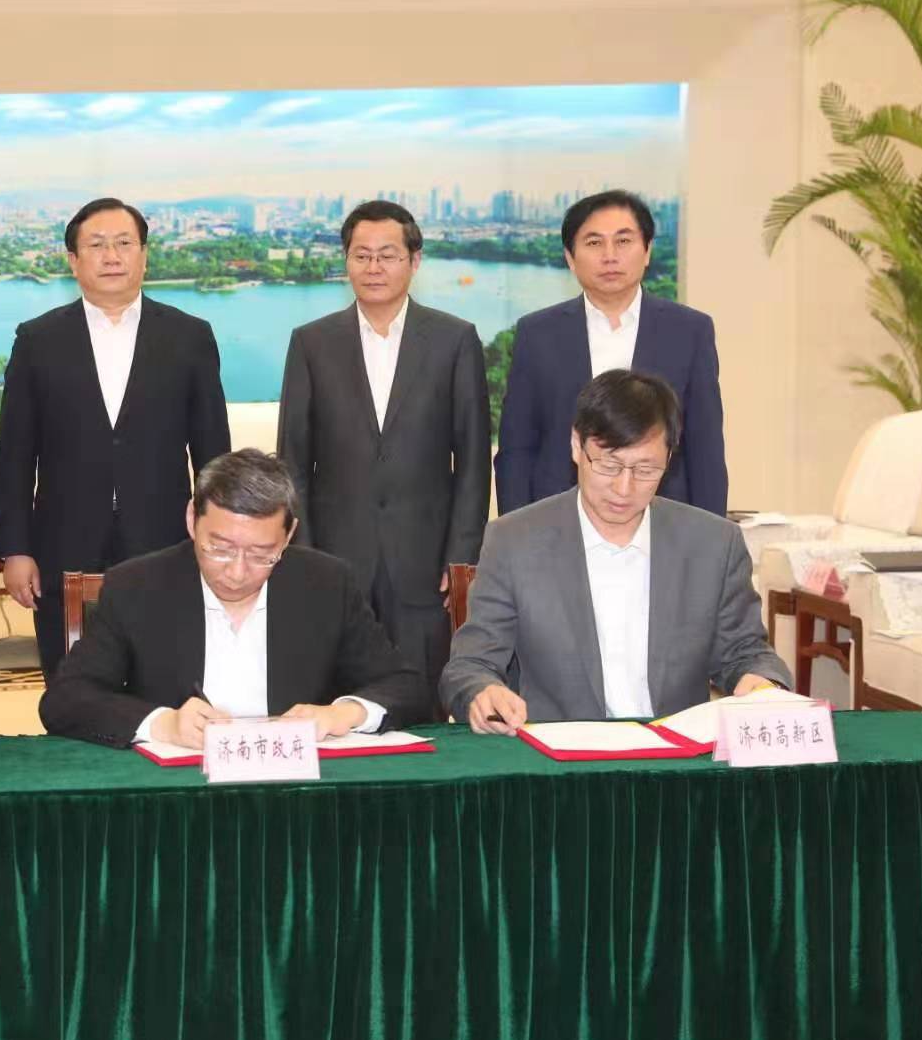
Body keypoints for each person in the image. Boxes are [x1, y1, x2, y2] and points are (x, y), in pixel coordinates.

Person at [442, 370, 789, 734]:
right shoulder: (515, 541)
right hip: (560, 754)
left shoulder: (713, 544)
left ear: (669, 457)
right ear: (576, 446)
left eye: (645, 469)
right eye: (609, 465)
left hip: (674, 754)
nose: (624, 488)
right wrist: (483, 693)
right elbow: (471, 664)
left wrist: (762, 684)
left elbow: (747, 653)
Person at [39, 449, 427, 749]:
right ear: (192, 520)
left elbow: (404, 685)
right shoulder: (136, 586)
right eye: (220, 549)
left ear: (288, 535)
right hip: (179, 790)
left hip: (296, 789)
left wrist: (342, 714)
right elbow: (65, 699)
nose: (238, 572)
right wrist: (163, 723)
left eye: (261, 554)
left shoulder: (326, 584)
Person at [0, 196, 231, 679]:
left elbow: (213, 453)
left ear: (144, 255)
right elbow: (15, 455)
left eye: (124, 243)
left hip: (166, 540)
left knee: (166, 678)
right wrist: (16, 549)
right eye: (97, 245)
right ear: (73, 260)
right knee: (69, 679)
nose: (112, 256)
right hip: (63, 542)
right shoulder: (37, 340)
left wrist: (218, 537)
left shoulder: (189, 336)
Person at [276, 200, 490, 719]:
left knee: (424, 700)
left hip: (425, 562)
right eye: (361, 255)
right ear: (346, 261)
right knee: (333, 704)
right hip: (335, 559)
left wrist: (460, 557)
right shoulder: (311, 342)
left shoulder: (454, 340)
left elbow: (473, 460)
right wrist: (304, 557)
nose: (374, 267)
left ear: (414, 261)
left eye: (388, 255)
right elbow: (293, 462)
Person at [494, 189, 727, 516]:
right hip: (559, 518)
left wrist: (709, 535)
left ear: (647, 251)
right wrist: (517, 532)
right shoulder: (537, 333)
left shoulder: (690, 331)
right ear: (570, 258)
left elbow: (706, 450)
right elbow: (517, 449)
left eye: (623, 241)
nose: (610, 255)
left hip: (664, 517)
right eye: (593, 243)